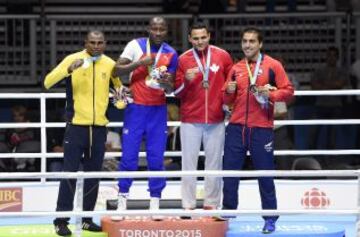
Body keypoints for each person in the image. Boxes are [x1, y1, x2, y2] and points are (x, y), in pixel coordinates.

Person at [44, 30, 123, 236]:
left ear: (105, 43)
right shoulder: (73, 59)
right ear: (85, 42)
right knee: (69, 173)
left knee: (93, 175)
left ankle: (87, 219)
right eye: (92, 42)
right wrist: (68, 70)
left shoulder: (110, 64)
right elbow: (47, 82)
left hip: (99, 129)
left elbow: (120, 94)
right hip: (76, 127)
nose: (96, 46)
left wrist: (121, 101)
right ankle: (61, 220)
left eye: (100, 42)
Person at [222, 27, 294, 233]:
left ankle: (270, 218)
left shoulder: (273, 65)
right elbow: (227, 100)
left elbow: (288, 91)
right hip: (236, 127)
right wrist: (228, 93)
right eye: (245, 41)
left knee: (265, 174)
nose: (247, 45)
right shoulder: (236, 68)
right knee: (229, 172)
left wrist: (270, 94)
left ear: (260, 44)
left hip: (261, 127)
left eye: (252, 41)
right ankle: (228, 212)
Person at [112, 16, 178, 221]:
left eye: (162, 29)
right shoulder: (136, 45)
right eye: (154, 29)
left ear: (167, 31)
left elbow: (170, 89)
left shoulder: (171, 53)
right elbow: (115, 70)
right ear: (148, 29)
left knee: (156, 158)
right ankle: (122, 200)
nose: (158, 32)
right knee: (129, 156)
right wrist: (140, 63)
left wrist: (167, 83)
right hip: (136, 109)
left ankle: (155, 201)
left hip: (158, 110)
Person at [174, 21, 233, 215]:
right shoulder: (183, 59)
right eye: (196, 38)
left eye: (203, 37)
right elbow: (177, 92)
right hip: (190, 119)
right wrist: (185, 81)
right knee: (188, 163)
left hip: (216, 118)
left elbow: (230, 85)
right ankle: (188, 204)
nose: (200, 41)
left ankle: (211, 203)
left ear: (209, 36)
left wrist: (227, 103)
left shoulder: (223, 56)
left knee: (214, 162)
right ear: (190, 38)